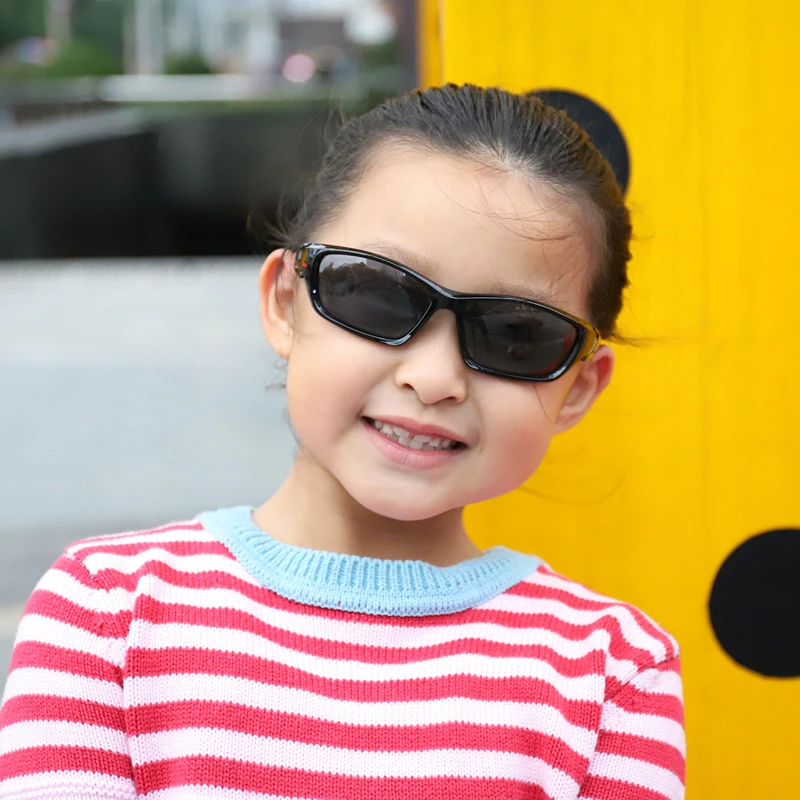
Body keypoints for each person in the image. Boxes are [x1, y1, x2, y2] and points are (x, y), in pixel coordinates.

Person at [0, 84, 685, 799]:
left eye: (517, 334)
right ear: (285, 302)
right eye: (378, 294)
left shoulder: (613, 675)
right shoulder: (107, 614)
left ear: (576, 388)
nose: (434, 378)